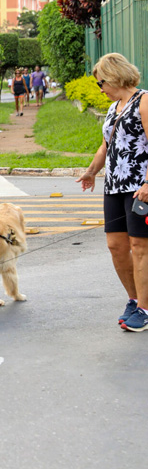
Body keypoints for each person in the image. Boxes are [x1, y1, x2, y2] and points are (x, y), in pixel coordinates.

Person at [76, 53, 148, 332]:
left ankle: (144, 307)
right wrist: (91, 171)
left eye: (101, 83)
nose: (100, 88)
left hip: (138, 189)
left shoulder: (143, 101)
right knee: (116, 247)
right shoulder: (114, 106)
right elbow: (106, 144)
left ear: (115, 76)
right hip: (114, 187)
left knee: (141, 247)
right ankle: (134, 299)